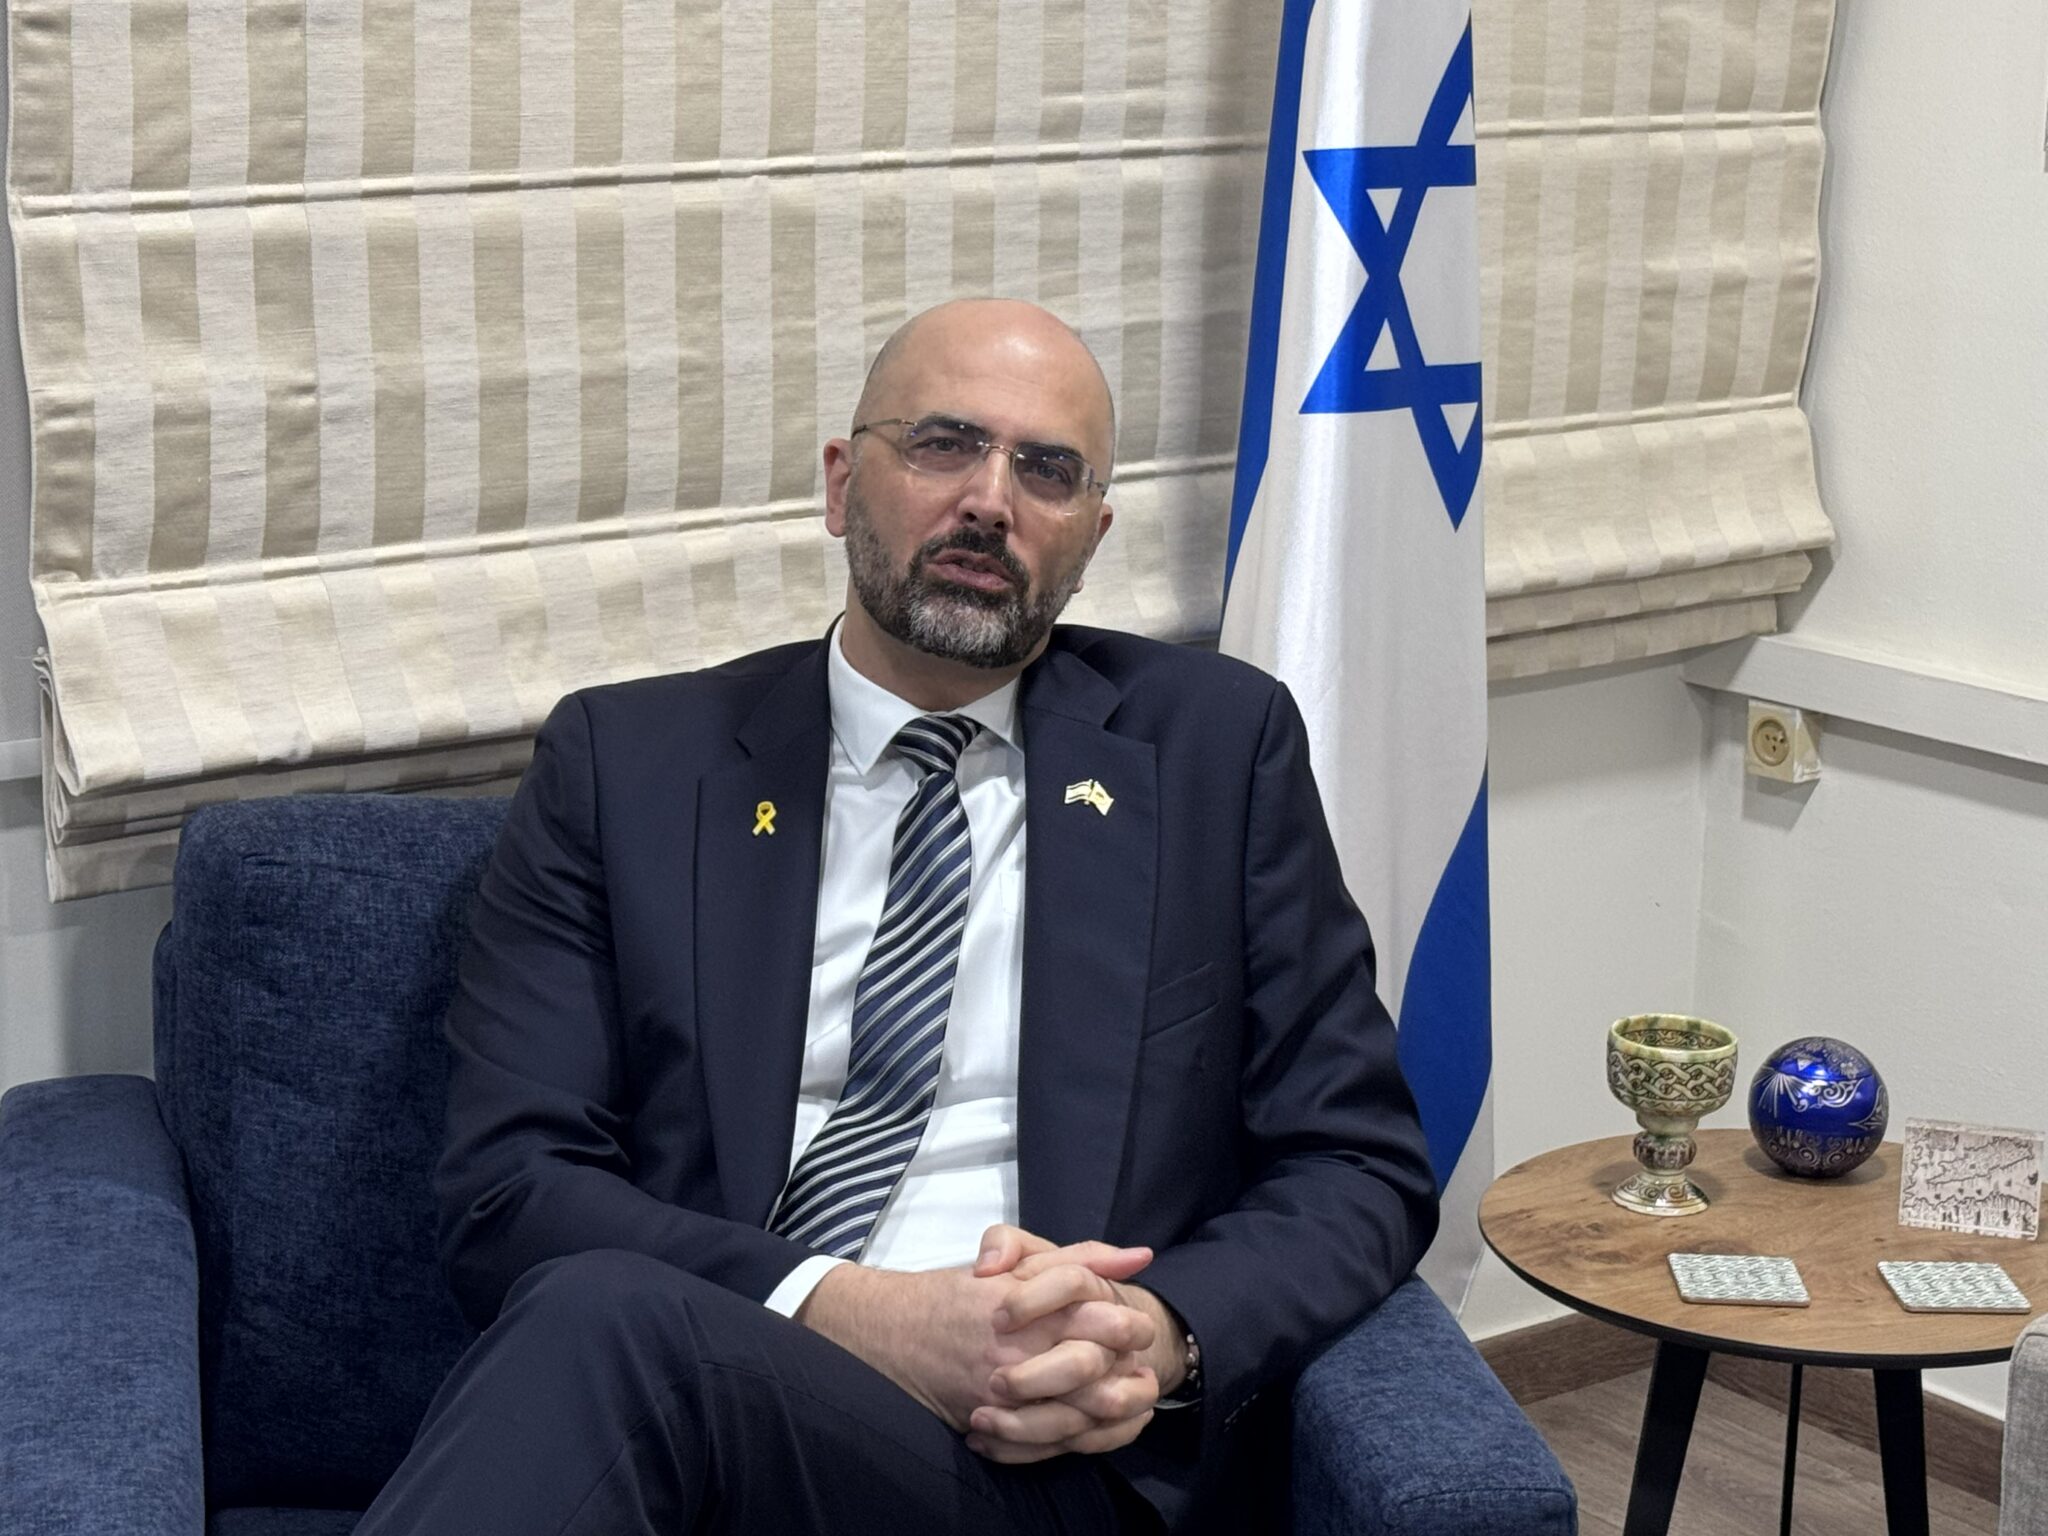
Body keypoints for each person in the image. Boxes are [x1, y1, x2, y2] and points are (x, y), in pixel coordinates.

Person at [355, 299, 1438, 1535]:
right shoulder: (629, 766)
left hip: (1046, 1460)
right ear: (839, 483)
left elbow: (1357, 1162)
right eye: (942, 444)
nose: (989, 500)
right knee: (601, 1318)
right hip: (714, 1389)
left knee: (604, 1327)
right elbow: (506, 1191)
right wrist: (860, 1313)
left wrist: (1154, 1334)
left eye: (1047, 471)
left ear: (1090, 537)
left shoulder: (1212, 751)